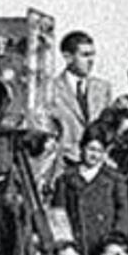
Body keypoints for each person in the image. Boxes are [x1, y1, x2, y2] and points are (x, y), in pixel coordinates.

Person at [53, 120, 128, 255]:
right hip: (75, 248)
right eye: (91, 149)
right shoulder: (66, 179)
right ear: (82, 148)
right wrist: (66, 245)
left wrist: (115, 242)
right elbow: (59, 214)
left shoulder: (114, 180)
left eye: (100, 151)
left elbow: (123, 214)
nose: (94, 155)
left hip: (104, 248)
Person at [51, 31, 112, 166]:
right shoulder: (51, 90)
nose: (91, 61)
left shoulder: (103, 88)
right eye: (85, 55)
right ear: (68, 57)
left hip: (97, 168)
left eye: (92, 55)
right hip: (65, 167)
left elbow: (108, 129)